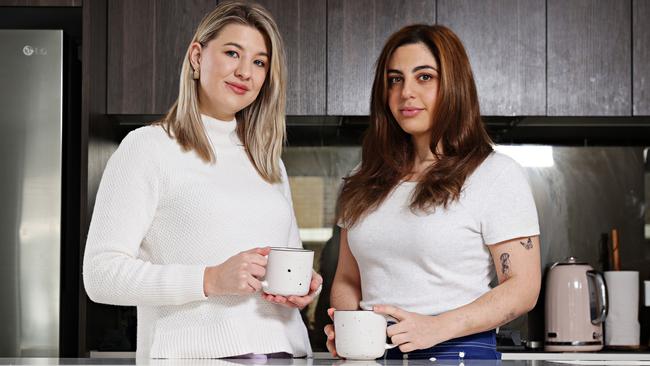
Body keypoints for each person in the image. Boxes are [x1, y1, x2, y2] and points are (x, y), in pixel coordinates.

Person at [83, 2, 322, 359]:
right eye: (232, 53)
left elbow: (282, 267)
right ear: (197, 56)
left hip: (285, 354)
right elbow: (100, 276)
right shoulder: (148, 148)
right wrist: (209, 279)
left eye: (259, 62)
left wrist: (300, 290)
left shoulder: (268, 161)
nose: (245, 72)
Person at [324, 24, 541, 360]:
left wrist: (437, 327)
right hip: (372, 357)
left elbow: (523, 288)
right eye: (395, 79)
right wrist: (347, 330)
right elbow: (348, 279)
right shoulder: (362, 179)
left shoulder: (495, 174)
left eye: (424, 77)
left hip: (459, 355)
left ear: (454, 85)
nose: (406, 92)